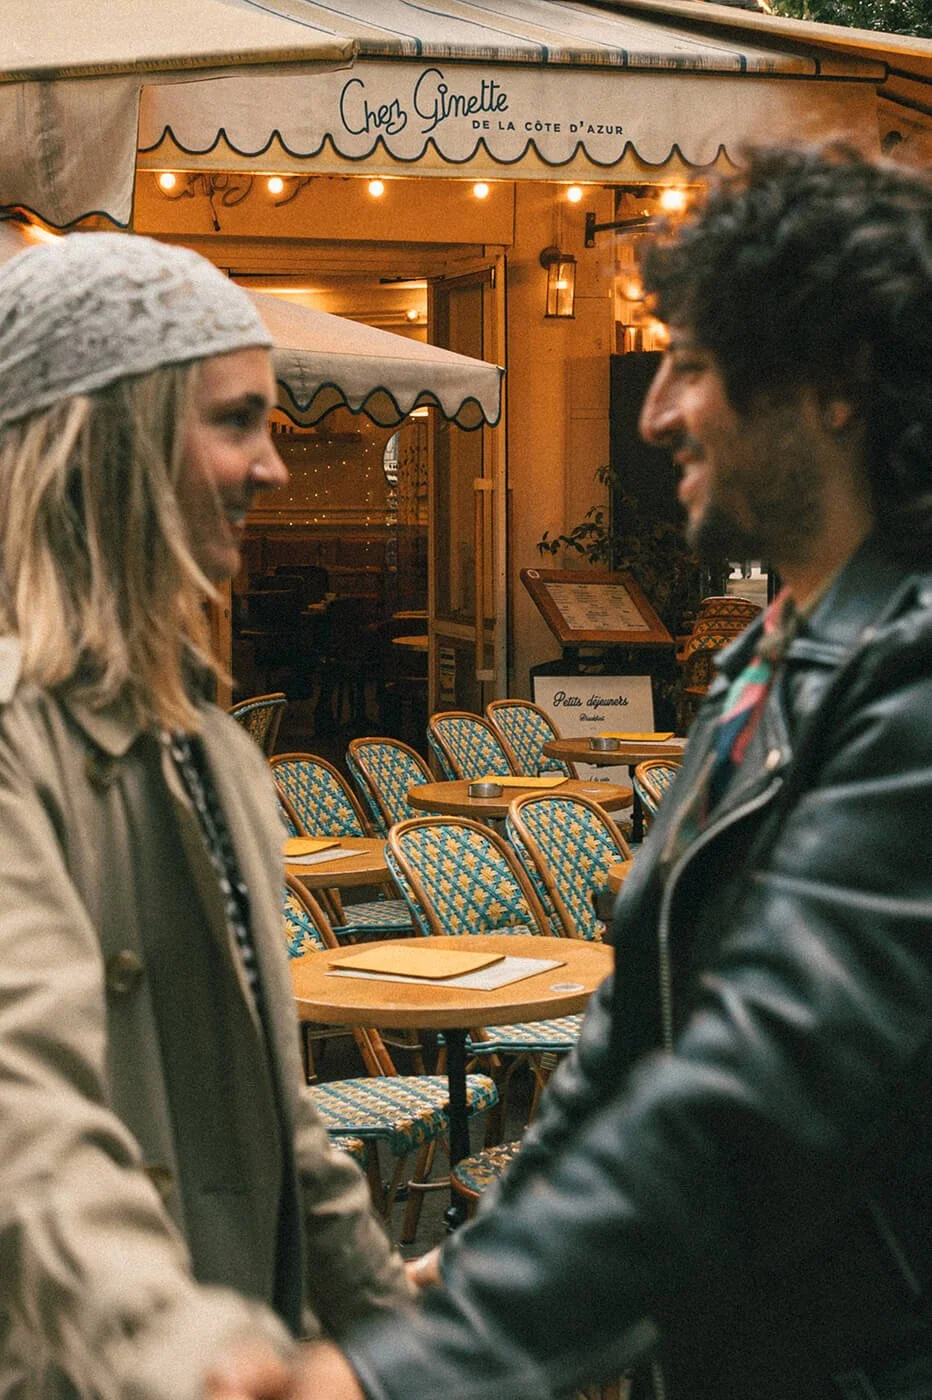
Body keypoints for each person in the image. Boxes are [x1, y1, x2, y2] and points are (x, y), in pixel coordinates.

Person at [278, 144, 932, 1400]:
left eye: (691, 361)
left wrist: (430, 1360)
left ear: (837, 385)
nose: (653, 412)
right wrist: (478, 1267)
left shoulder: (905, 683)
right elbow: (632, 1048)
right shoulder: (763, 663)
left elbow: (757, 1082)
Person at [0, 232, 414, 1400]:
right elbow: (20, 1111)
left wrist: (404, 1332)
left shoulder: (216, 749)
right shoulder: (11, 739)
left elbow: (280, 1126)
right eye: (236, 421)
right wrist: (187, 1349)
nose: (274, 467)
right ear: (114, 443)